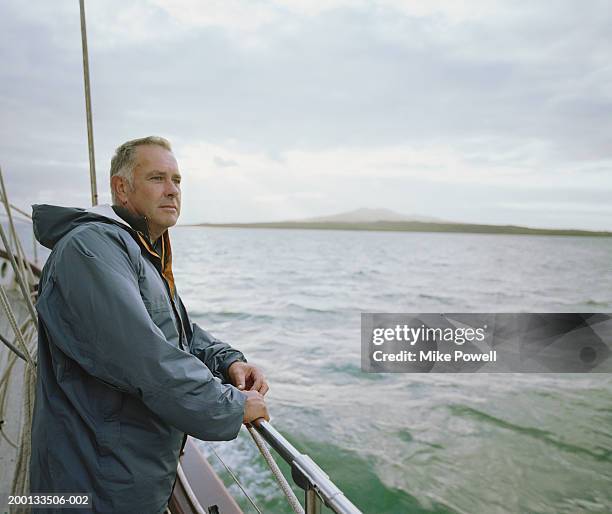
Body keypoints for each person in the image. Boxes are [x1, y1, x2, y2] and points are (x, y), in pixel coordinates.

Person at [30, 136, 269, 513]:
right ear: (121, 188)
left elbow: (178, 334)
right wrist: (231, 407)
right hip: (94, 483)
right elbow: (146, 357)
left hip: (129, 477)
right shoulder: (90, 249)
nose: (172, 191)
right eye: (158, 178)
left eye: (177, 180)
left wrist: (228, 362)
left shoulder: (138, 250)